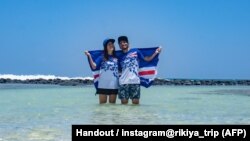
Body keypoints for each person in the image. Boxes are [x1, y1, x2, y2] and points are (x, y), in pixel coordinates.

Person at [117, 36, 161, 104]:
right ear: (119, 46)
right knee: (124, 105)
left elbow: (147, 59)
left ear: (128, 43)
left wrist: (156, 52)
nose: (123, 44)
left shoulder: (135, 51)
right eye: (121, 43)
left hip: (135, 82)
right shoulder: (119, 56)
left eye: (124, 42)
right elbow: (119, 70)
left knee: (135, 104)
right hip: (123, 83)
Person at [85, 38, 119, 104]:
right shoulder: (102, 57)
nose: (111, 45)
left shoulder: (117, 57)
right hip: (103, 84)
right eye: (109, 44)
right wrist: (89, 56)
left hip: (114, 85)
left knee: (113, 107)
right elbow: (94, 66)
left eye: (112, 44)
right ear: (105, 47)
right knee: (102, 107)